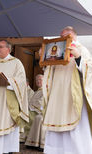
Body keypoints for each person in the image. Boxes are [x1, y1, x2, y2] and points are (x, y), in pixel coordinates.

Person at [42, 26, 92, 154]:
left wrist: (78, 57)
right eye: (62, 36)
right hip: (57, 97)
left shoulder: (82, 50)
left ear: (73, 36)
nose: (63, 38)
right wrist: (45, 59)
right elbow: (48, 74)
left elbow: (89, 70)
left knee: (76, 131)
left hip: (72, 97)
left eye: (66, 36)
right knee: (55, 131)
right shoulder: (59, 52)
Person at [25, 74, 46, 150]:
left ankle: (25, 138)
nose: (38, 81)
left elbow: (42, 103)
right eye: (37, 80)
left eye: (40, 80)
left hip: (38, 112)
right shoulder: (38, 91)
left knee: (25, 117)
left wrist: (31, 107)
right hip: (32, 110)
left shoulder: (45, 90)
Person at [20, 78, 34, 142]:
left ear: (27, 83)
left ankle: (21, 137)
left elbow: (29, 103)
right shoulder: (21, 90)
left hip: (27, 110)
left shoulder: (30, 92)